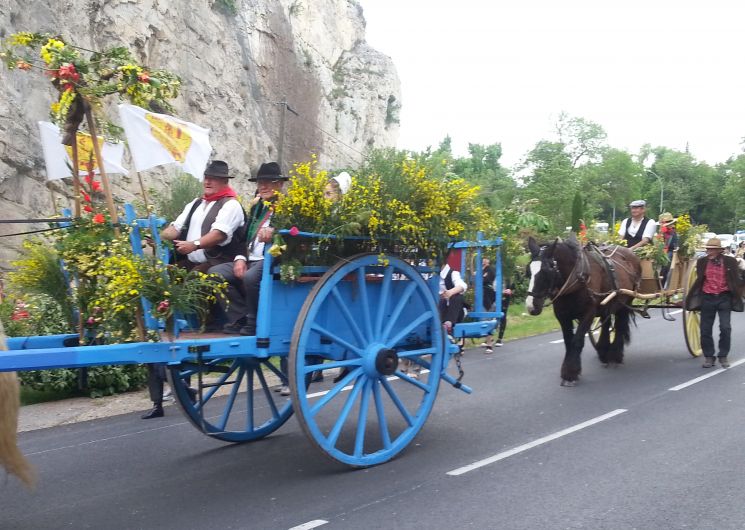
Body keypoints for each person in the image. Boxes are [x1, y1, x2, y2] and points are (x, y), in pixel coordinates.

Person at [209, 162, 287, 338]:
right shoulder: (256, 207)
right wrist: (239, 258)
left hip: (272, 259)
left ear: (280, 184)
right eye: (260, 182)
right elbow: (243, 238)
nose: (263, 186)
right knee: (215, 273)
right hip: (251, 258)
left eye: (269, 182)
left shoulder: (288, 207)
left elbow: (292, 235)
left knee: (250, 277)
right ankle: (241, 316)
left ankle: (254, 321)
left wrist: (276, 233)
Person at [160, 160, 246, 273]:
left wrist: (194, 244)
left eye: (213, 178)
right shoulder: (196, 203)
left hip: (217, 262)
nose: (207, 182)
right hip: (191, 262)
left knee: (193, 282)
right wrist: (159, 237)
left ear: (225, 181)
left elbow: (218, 235)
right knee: (164, 275)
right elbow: (176, 228)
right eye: (206, 178)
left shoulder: (231, 204)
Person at [684, 237, 745, 368]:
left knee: (725, 327)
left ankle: (723, 355)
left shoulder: (730, 261)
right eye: (708, 249)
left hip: (724, 297)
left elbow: (739, 275)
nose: (709, 252)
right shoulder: (702, 262)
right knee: (705, 329)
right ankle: (709, 357)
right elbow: (699, 279)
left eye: (712, 250)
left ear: (719, 251)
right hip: (707, 297)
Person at [658, 212, 678, 285]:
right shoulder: (661, 232)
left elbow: (674, 246)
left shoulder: (673, 232)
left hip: (670, 251)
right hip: (661, 251)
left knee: (666, 262)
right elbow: (657, 243)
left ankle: (662, 283)